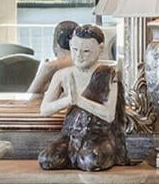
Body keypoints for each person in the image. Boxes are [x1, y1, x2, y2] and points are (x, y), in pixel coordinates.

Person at [37, 22, 124, 172]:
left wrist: (78, 100)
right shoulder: (62, 75)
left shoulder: (107, 74)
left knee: (91, 160)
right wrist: (67, 100)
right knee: (48, 159)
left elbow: (109, 115)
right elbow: (44, 110)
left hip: (98, 135)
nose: (79, 56)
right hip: (71, 134)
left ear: (100, 49)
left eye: (86, 51)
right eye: (75, 49)